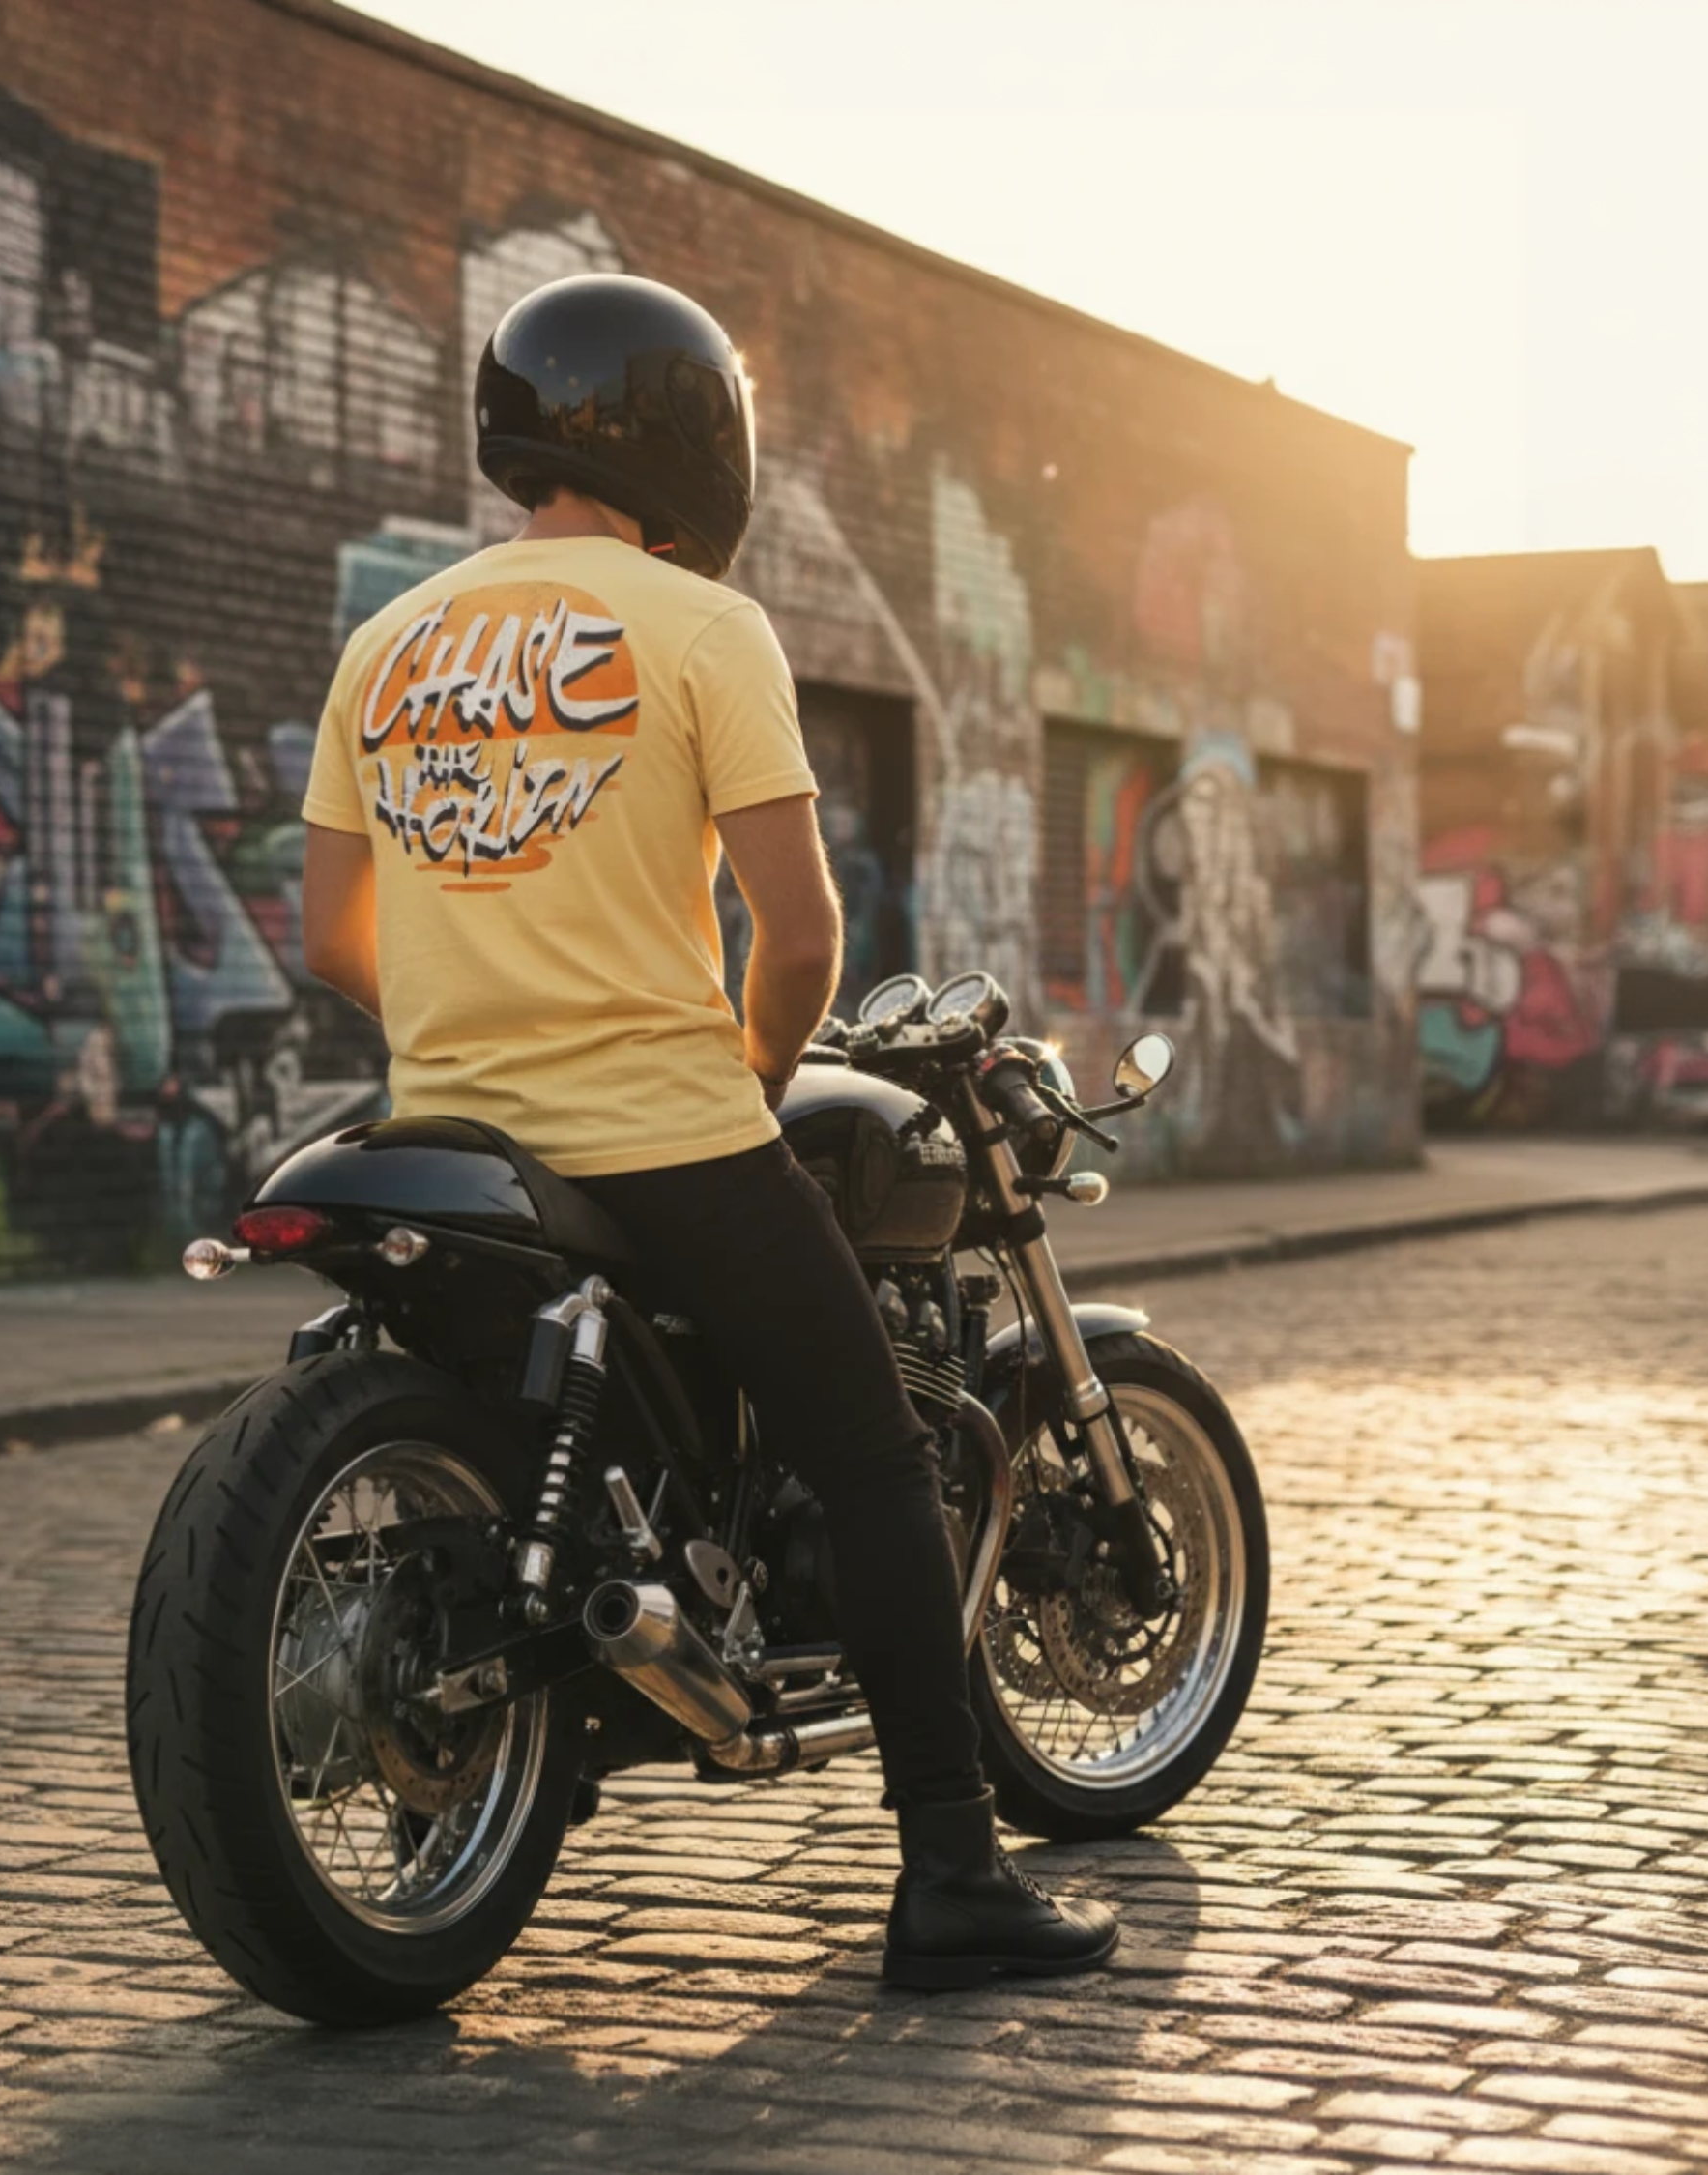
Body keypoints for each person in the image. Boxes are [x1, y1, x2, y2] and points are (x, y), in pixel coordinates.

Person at [295, 272, 1115, 1989]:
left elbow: (329, 936)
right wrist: (748, 1071)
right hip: (660, 1131)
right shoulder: (697, 627)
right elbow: (799, 934)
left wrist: (478, 1022)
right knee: (881, 1456)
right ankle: (954, 1878)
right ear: (688, 434)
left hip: (453, 1136)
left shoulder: (387, 645)